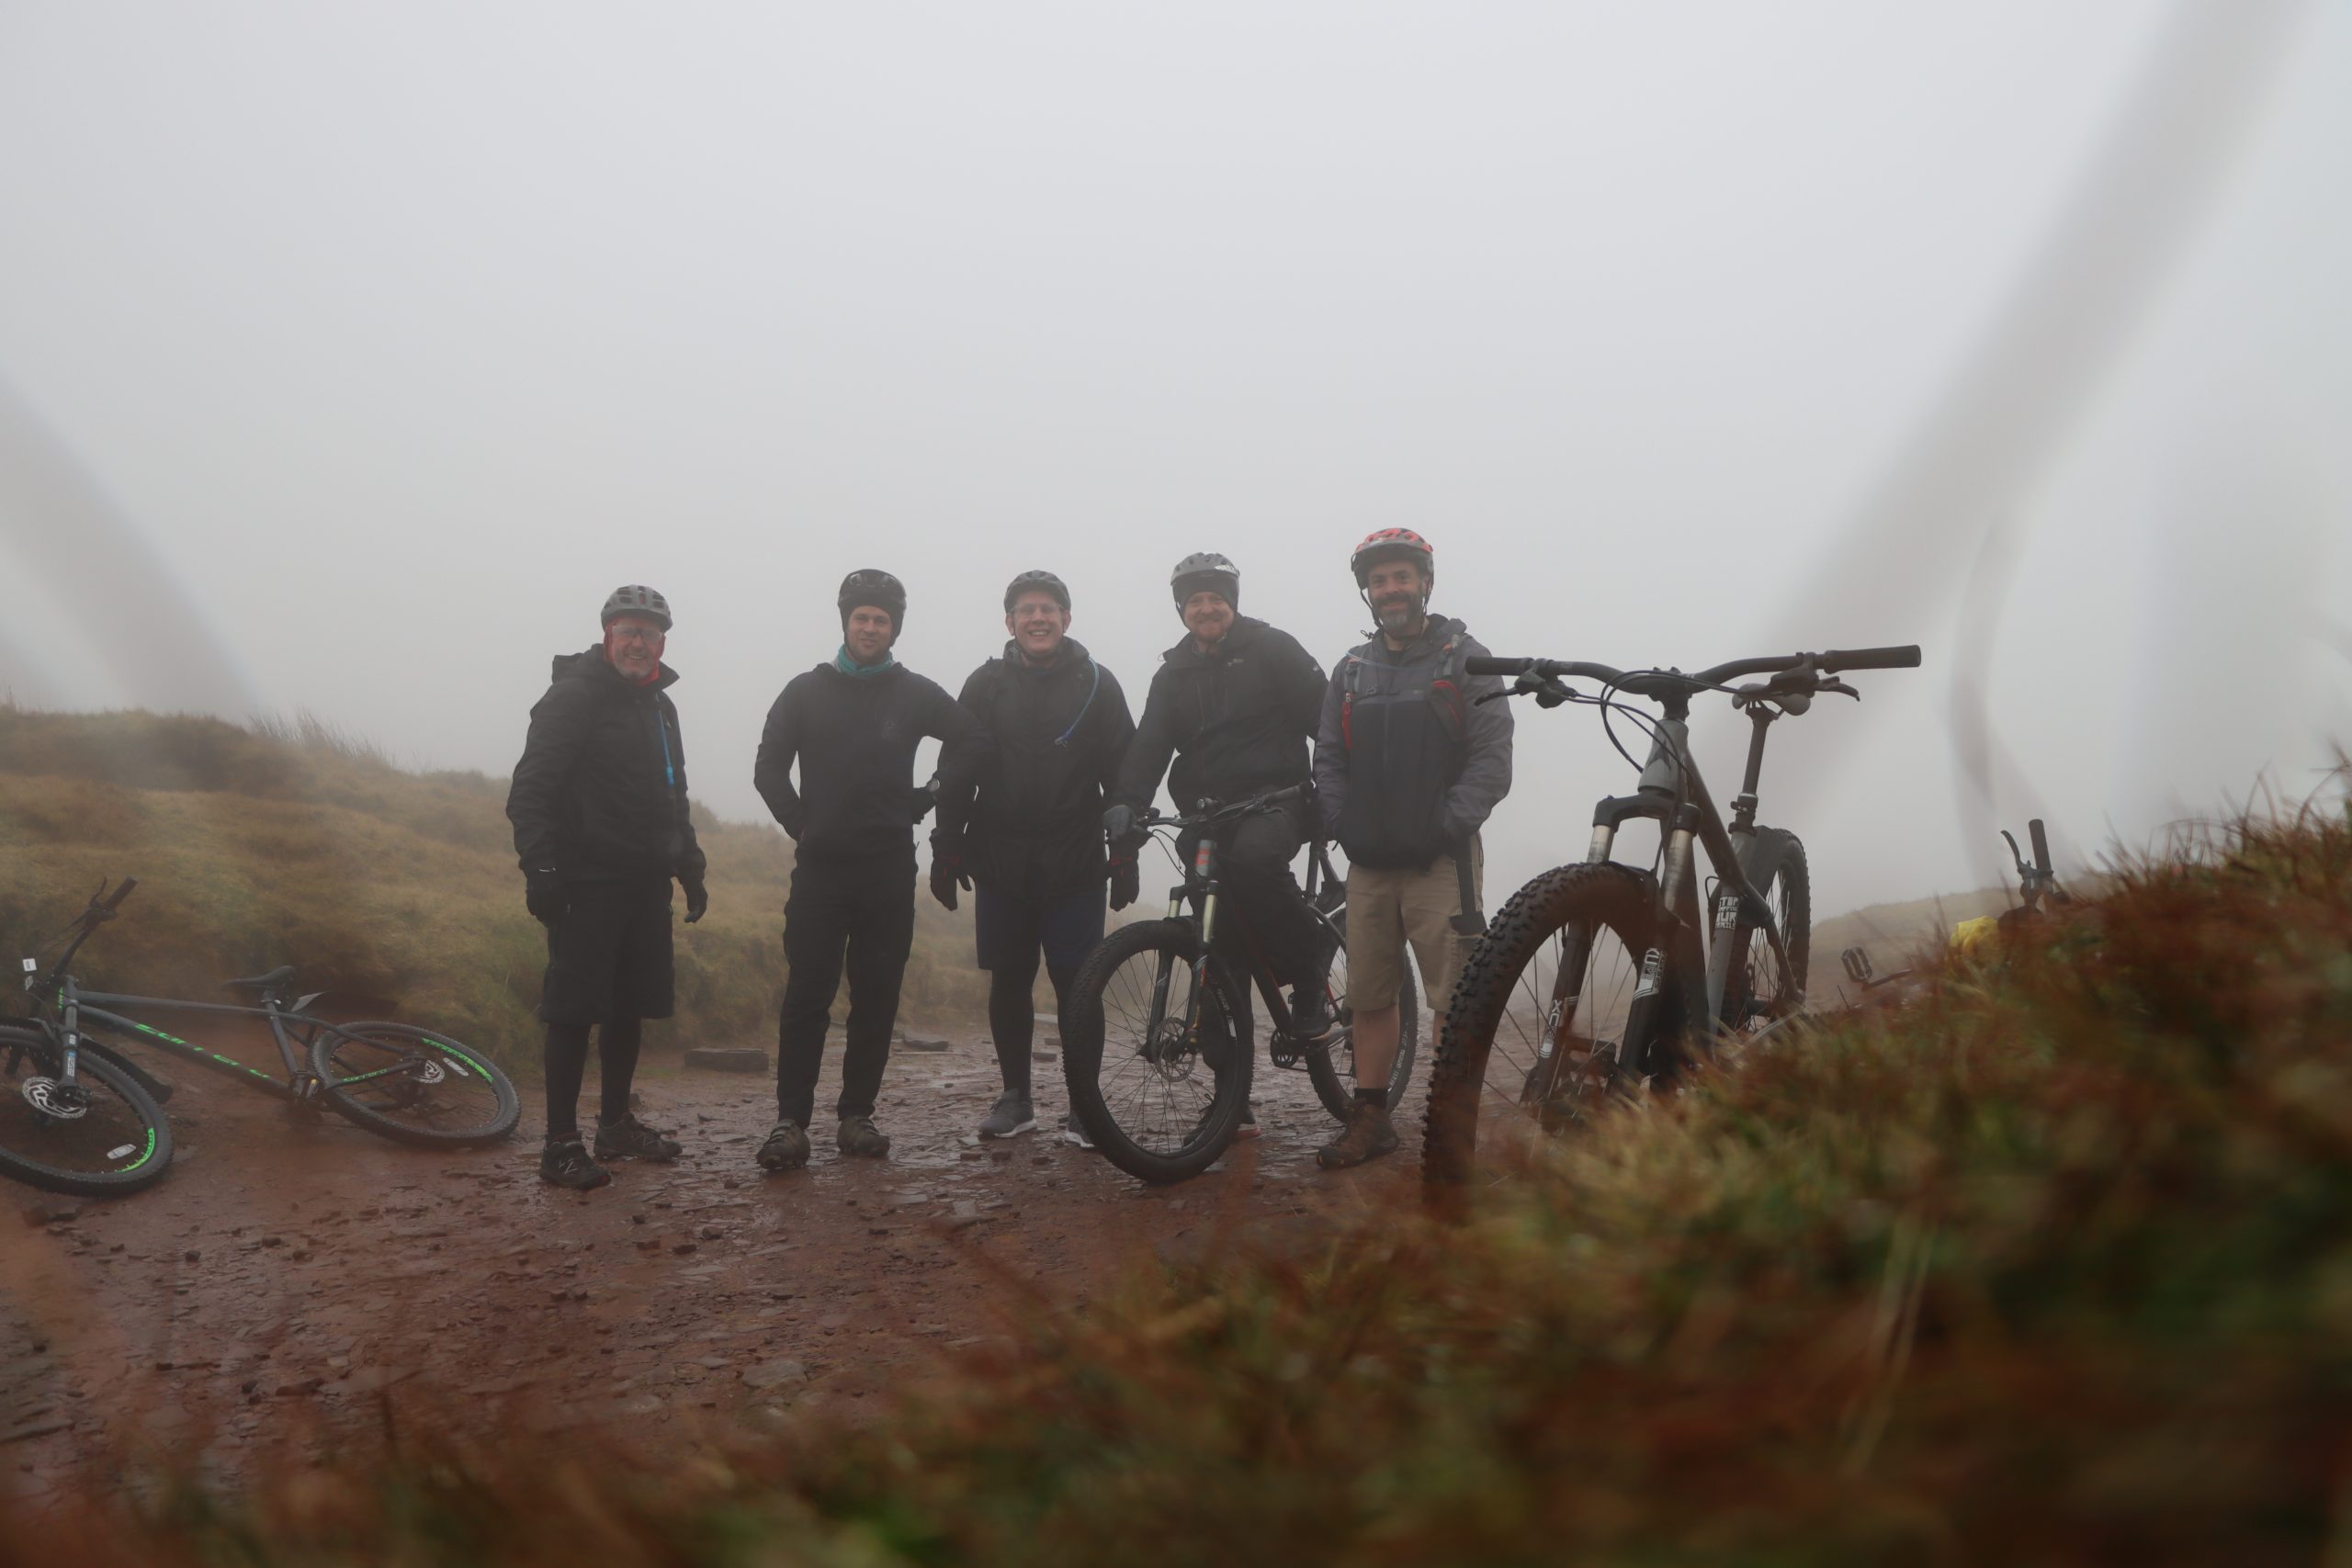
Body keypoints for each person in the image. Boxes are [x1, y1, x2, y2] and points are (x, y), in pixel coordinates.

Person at [752, 570, 988, 1170]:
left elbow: (970, 740)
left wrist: (927, 794)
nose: (870, 627)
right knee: (808, 994)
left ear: (893, 628)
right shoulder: (806, 690)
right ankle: (790, 1122)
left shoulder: (914, 692)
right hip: (821, 872)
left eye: (881, 619)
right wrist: (800, 823)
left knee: (876, 995)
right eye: (861, 617)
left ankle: (857, 1115)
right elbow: (768, 767)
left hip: (887, 870)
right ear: (846, 622)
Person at [1311, 528, 1512, 1168]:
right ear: (1367, 591)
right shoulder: (1350, 670)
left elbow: (1492, 758)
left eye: (1402, 577)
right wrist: (1342, 821)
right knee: (1369, 996)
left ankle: (1456, 1125)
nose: (1391, 589)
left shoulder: (1466, 657)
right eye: (1380, 580)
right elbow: (1329, 757)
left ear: (1426, 582)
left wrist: (1446, 825)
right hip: (1369, 863)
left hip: (1439, 862)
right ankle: (1372, 1119)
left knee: (1456, 998)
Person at [1111, 551, 1332, 1121]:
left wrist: (1339, 793)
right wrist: (1126, 807)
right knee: (1213, 952)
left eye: (1216, 598)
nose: (1206, 608)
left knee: (1257, 863)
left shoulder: (1273, 649)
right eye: (1194, 600)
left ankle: (1308, 981)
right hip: (1207, 817)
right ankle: (1231, 1100)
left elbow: (1327, 723)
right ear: (1181, 609)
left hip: (1277, 801)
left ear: (1232, 602)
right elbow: (1150, 745)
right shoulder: (1172, 674)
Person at [506, 584, 709, 1190]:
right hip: (585, 882)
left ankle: (615, 1124)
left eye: (649, 633)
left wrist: (690, 863)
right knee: (572, 1011)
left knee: (629, 1006)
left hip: (646, 883)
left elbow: (673, 792)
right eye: (628, 630)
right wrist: (540, 868)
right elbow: (531, 790)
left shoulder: (659, 707)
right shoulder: (574, 697)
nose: (638, 642)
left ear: (662, 642)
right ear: (607, 635)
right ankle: (559, 1144)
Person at [932, 570, 1137, 1140]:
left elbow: (1124, 775)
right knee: (1010, 978)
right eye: (1027, 609)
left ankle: (1084, 1106)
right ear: (1010, 621)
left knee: (1079, 982)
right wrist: (946, 846)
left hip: (1075, 861)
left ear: (1067, 619)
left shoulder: (1097, 684)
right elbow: (957, 770)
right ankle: (1016, 1098)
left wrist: (1125, 853)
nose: (1038, 618)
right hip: (999, 860)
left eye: (1049, 608)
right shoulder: (984, 685)